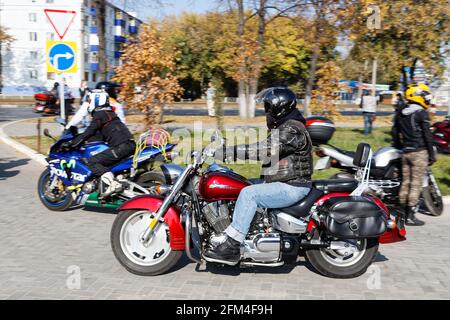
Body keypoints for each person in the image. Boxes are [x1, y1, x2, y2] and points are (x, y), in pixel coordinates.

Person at [203, 87, 313, 264]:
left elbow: (264, 150)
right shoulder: (286, 126)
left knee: (249, 194)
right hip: (282, 181)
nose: (266, 111)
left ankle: (232, 245)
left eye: (268, 107)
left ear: (280, 108)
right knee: (239, 183)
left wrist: (226, 152)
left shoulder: (292, 129)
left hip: (293, 186)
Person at [60, 91, 136, 198]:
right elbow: (98, 135)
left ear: (96, 101)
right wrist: (83, 141)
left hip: (121, 147)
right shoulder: (110, 114)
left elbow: (89, 131)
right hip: (129, 144)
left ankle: (112, 184)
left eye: (90, 101)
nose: (89, 103)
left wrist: (71, 143)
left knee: (91, 162)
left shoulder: (99, 114)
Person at [391, 83, 436, 227]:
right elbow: (427, 135)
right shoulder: (421, 112)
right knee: (416, 184)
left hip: (406, 152)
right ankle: (410, 216)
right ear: (417, 96)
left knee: (406, 182)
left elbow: (394, 133)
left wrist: (400, 146)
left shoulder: (401, 112)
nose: (426, 98)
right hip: (419, 152)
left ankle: (401, 214)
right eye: (424, 95)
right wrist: (431, 153)